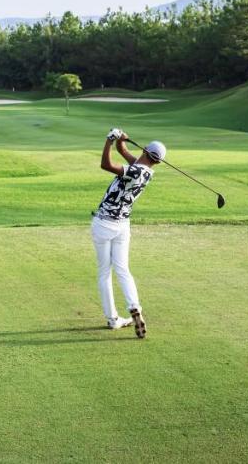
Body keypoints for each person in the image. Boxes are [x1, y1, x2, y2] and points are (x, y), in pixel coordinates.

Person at [92, 128, 165, 338]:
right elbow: (128, 156)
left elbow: (105, 165)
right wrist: (120, 141)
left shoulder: (135, 170)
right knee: (123, 270)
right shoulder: (148, 172)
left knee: (104, 272)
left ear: (144, 150)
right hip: (123, 225)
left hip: (104, 223)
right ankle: (135, 307)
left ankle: (113, 319)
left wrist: (108, 140)